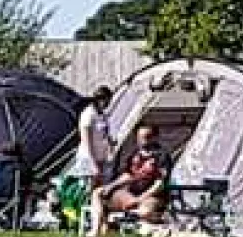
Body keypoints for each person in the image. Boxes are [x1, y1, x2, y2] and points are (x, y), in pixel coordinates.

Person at [96, 126, 172, 233]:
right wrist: (111, 186)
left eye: (146, 137)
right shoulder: (135, 154)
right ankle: (97, 231)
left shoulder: (162, 156)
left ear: (155, 138)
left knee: (144, 211)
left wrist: (140, 199)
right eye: (139, 138)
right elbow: (128, 175)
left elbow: (160, 184)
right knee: (98, 193)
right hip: (131, 194)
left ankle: (119, 226)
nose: (142, 141)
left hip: (152, 196)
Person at [69, 86, 115, 232]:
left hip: (102, 157)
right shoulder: (88, 115)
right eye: (106, 100)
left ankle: (101, 224)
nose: (108, 103)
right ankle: (85, 223)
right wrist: (93, 164)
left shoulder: (103, 115)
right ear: (100, 100)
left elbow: (105, 134)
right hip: (88, 159)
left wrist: (110, 144)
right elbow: (86, 141)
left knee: (101, 193)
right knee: (92, 192)